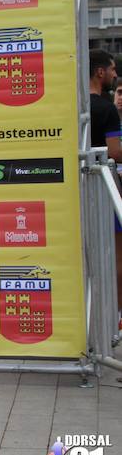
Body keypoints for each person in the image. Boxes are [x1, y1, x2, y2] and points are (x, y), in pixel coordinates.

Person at [90, 50, 122, 320]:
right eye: (112, 69)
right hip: (105, 188)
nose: (114, 74)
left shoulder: (73, 106)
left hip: (76, 189)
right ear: (100, 72)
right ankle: (117, 319)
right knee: (118, 258)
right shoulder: (107, 108)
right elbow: (115, 152)